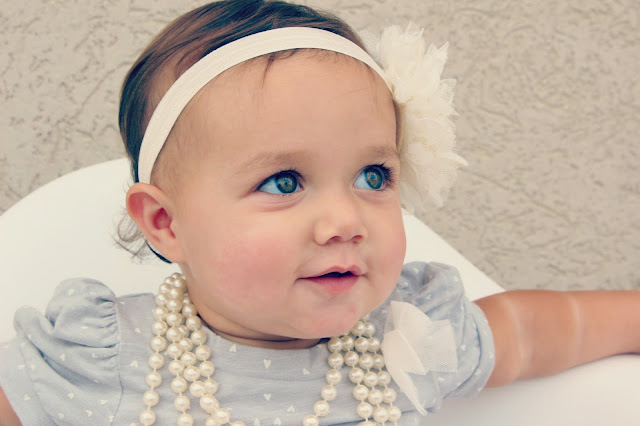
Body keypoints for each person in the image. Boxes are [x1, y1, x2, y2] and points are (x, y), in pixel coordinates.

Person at [0, 1, 638, 425]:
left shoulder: (407, 339)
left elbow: (532, 331)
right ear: (167, 224)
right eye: (284, 181)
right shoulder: (107, 360)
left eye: (372, 176)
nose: (344, 220)